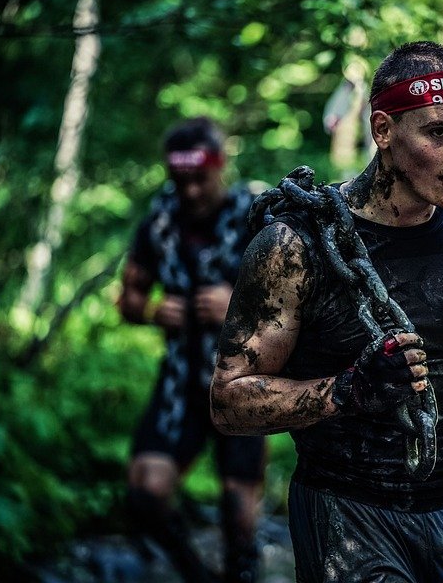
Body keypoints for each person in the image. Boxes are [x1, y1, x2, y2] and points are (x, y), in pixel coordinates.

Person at [210, 41, 443, 582]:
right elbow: (229, 404)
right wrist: (348, 391)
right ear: (383, 131)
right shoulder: (298, 245)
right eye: (439, 133)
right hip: (350, 515)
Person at [117, 116, 266, 583]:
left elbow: (301, 303)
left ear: (219, 167)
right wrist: (151, 311)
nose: (191, 191)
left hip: (239, 379)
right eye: (180, 180)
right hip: (181, 383)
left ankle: (242, 571)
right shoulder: (158, 221)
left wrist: (237, 306)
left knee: (239, 510)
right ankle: (194, 573)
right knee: (147, 487)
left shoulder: (256, 215)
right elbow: (129, 299)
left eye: (200, 179)